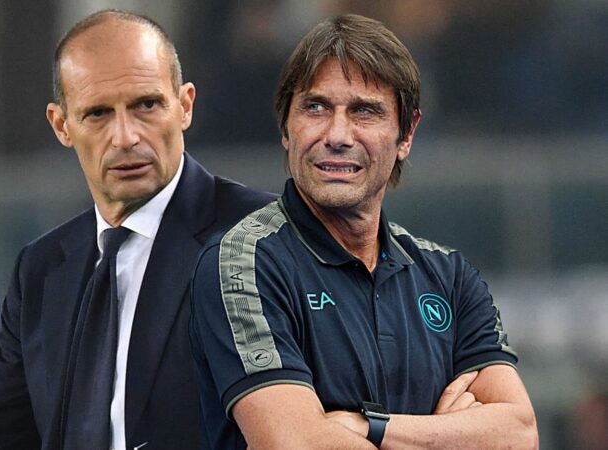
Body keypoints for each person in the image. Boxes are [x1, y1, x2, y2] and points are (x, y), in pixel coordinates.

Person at [190, 14, 538, 449]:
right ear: (286, 128)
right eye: (315, 107)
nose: (337, 135)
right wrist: (446, 437)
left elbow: (519, 434)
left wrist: (365, 426)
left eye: (364, 111)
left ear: (406, 134)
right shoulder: (244, 263)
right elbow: (297, 444)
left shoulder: (449, 277)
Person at [0, 9, 274, 450]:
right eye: (98, 113)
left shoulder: (262, 237)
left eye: (146, 105)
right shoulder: (41, 269)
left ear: (185, 105)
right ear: (62, 125)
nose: (125, 137)